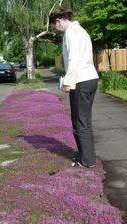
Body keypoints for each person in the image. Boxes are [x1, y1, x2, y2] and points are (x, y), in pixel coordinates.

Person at [49, 7, 99, 168]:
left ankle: (86, 161)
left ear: (58, 21)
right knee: (85, 121)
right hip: (91, 78)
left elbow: (73, 59)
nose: (56, 31)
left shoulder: (71, 32)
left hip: (81, 81)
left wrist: (67, 82)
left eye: (54, 27)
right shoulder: (81, 30)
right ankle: (89, 157)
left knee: (79, 122)